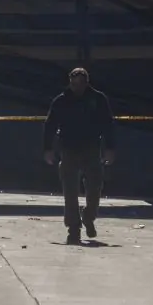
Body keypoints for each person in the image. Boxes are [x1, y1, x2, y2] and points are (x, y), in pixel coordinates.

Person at [43, 68, 116, 245]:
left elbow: (108, 124)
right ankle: (73, 228)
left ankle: (89, 216)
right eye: (74, 84)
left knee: (94, 187)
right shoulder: (62, 100)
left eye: (81, 84)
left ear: (87, 82)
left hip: (91, 148)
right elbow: (50, 124)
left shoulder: (97, 99)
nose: (77, 87)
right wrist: (48, 148)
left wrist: (110, 148)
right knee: (70, 191)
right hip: (68, 149)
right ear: (70, 82)